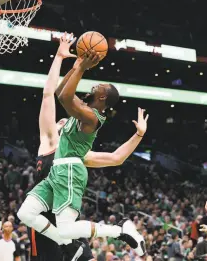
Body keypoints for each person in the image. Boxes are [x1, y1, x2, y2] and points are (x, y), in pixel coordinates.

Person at [22, 33, 149, 261]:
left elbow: (116, 158)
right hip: (51, 197)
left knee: (69, 233)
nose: (61, 121)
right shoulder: (56, 137)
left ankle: (121, 231)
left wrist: (139, 135)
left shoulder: (88, 129)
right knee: (26, 214)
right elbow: (55, 93)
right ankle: (70, 242)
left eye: (98, 85)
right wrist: (70, 61)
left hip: (69, 185)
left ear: (101, 97)